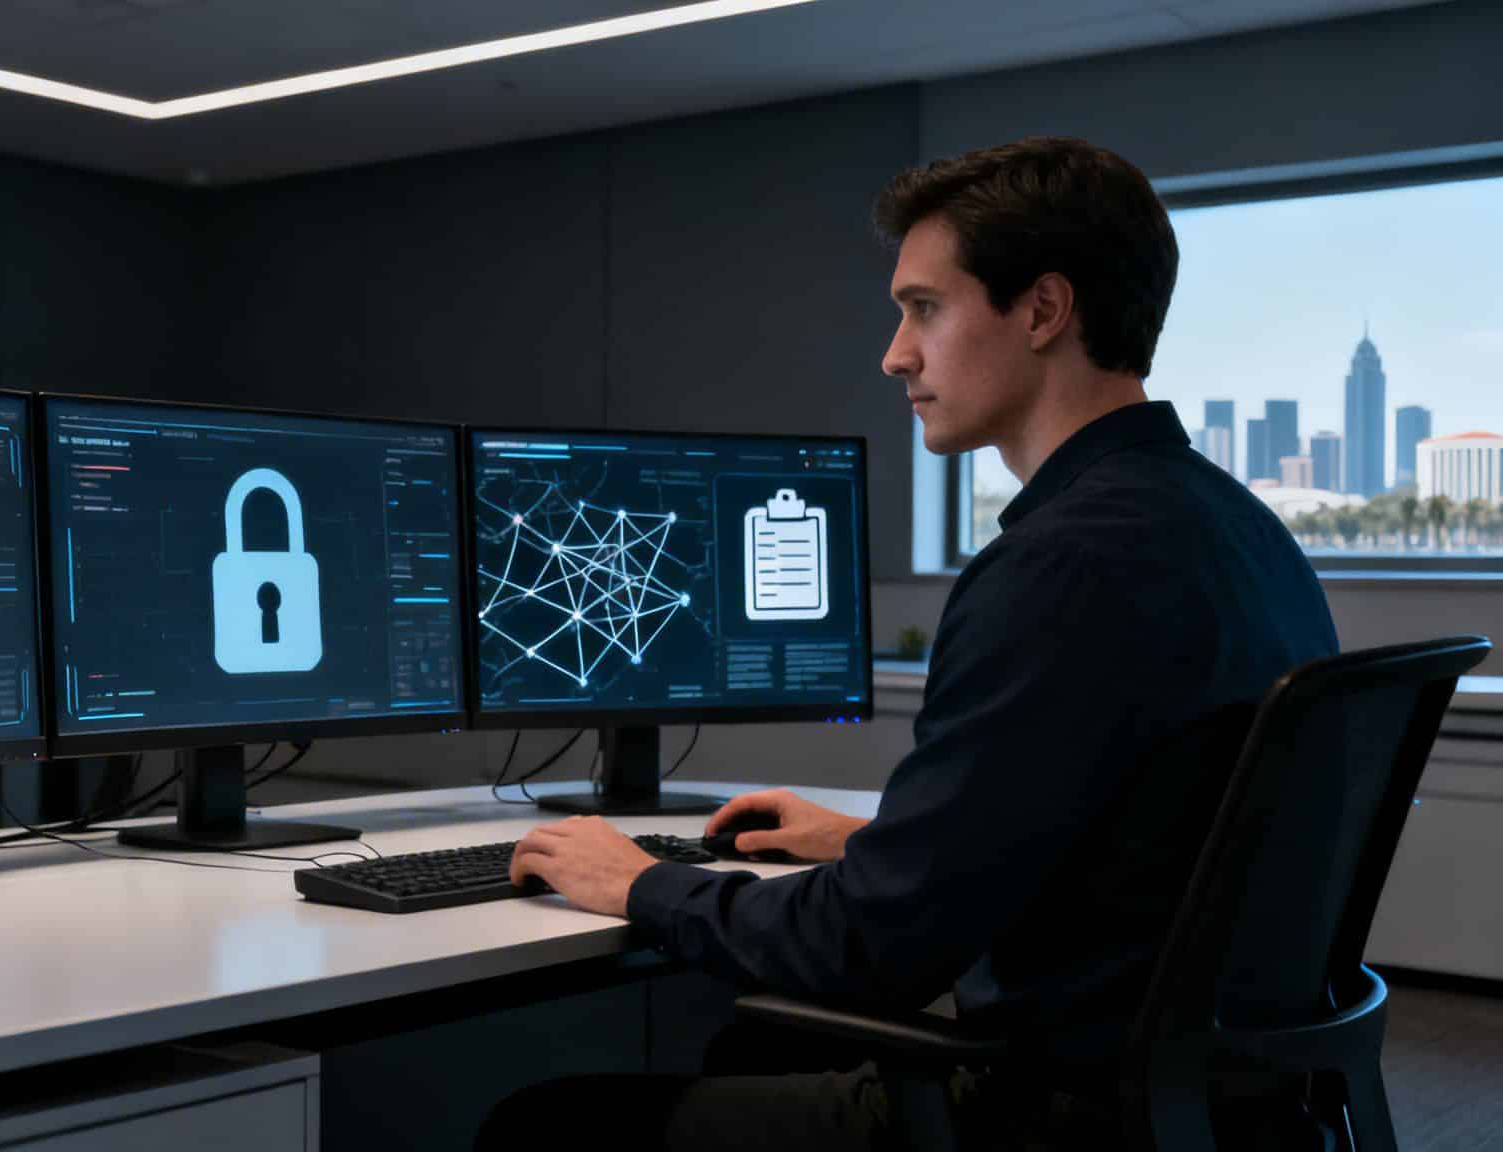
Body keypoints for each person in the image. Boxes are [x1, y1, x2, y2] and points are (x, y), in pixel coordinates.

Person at [478, 137, 1339, 1150]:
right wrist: (868, 845)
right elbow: (1138, 838)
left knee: (542, 1129)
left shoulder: (1061, 568)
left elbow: (869, 951)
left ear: (1041, 311)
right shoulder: (1227, 526)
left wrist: (641, 882)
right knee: (746, 1054)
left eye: (923, 308)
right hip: (1216, 1103)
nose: (894, 353)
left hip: (1053, 1114)